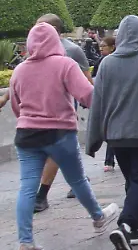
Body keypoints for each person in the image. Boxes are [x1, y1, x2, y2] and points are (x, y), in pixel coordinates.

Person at [9, 21, 119, 250]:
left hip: (26, 135)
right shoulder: (65, 65)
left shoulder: (19, 70)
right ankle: (98, 217)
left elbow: (16, 105)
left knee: (27, 187)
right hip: (59, 133)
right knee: (77, 179)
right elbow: (88, 96)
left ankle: (25, 241)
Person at [85, 15, 138, 249]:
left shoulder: (107, 63)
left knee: (133, 180)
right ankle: (127, 225)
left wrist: (93, 139)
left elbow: (97, 102)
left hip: (117, 136)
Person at [29, 14, 91, 212]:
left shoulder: (72, 50)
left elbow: (87, 80)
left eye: (41, 27)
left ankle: (42, 195)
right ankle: (78, 183)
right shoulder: (34, 50)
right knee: (64, 150)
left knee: (56, 150)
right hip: (39, 108)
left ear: (54, 30)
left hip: (62, 110)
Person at [93, 36, 117, 172]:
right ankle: (109, 160)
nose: (101, 48)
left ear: (112, 47)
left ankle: (110, 161)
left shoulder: (112, 61)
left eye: (104, 46)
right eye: (100, 46)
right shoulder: (100, 62)